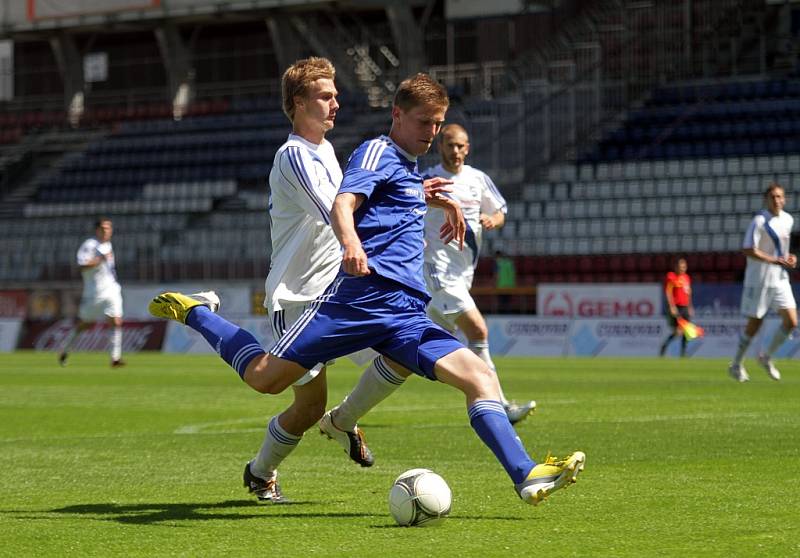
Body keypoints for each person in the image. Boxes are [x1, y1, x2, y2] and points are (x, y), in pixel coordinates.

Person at [149, 73, 585, 507]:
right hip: (356, 299)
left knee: (480, 377)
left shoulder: (394, 165)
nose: (431, 134)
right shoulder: (365, 150)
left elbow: (384, 197)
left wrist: (426, 195)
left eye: (438, 124)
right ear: (397, 114)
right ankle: (200, 313)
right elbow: (341, 204)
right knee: (267, 381)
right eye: (424, 123)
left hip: (407, 310)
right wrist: (353, 243)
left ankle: (525, 474)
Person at [151, 58, 448, 504]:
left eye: (335, 95)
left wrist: (409, 191)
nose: (335, 103)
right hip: (301, 294)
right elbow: (337, 211)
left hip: (344, 293)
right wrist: (401, 195)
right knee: (289, 396)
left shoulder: (326, 150)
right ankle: (200, 315)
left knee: (404, 353)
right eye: (325, 96)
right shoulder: (292, 156)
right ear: (297, 103)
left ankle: (335, 425)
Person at [324, 124, 535, 434]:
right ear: (441, 147)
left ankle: (341, 378)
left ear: (468, 147)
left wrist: (493, 219)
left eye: (461, 145)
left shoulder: (479, 180)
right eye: (450, 145)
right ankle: (499, 404)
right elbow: (403, 206)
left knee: (402, 351)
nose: (456, 151)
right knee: (477, 329)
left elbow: (500, 210)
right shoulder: (429, 178)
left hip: (463, 272)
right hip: (435, 270)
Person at [729, 183, 797, 382]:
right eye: (772, 197)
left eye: (779, 197)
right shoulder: (759, 221)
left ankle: (766, 356)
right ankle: (736, 364)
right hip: (759, 279)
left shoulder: (788, 220)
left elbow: (782, 252)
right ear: (766, 200)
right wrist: (774, 259)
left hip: (780, 278)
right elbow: (748, 249)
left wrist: (790, 258)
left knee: (792, 321)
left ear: (784, 199)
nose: (776, 200)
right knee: (755, 323)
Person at [59, 217, 125, 368]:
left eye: (109, 228)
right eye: (103, 228)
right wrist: (99, 259)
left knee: (116, 321)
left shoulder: (108, 245)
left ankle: (115, 358)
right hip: (94, 293)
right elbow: (82, 265)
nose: (107, 231)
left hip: (112, 289)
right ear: (97, 230)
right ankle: (65, 348)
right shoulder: (90, 245)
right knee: (85, 325)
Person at [659, 257, 694, 357]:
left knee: (686, 331)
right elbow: (668, 292)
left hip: (685, 307)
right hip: (677, 307)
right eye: (680, 266)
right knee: (678, 332)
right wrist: (672, 306)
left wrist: (690, 307)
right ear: (676, 267)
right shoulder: (671, 276)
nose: (682, 268)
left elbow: (688, 293)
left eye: (684, 266)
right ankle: (664, 346)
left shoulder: (686, 278)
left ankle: (683, 353)